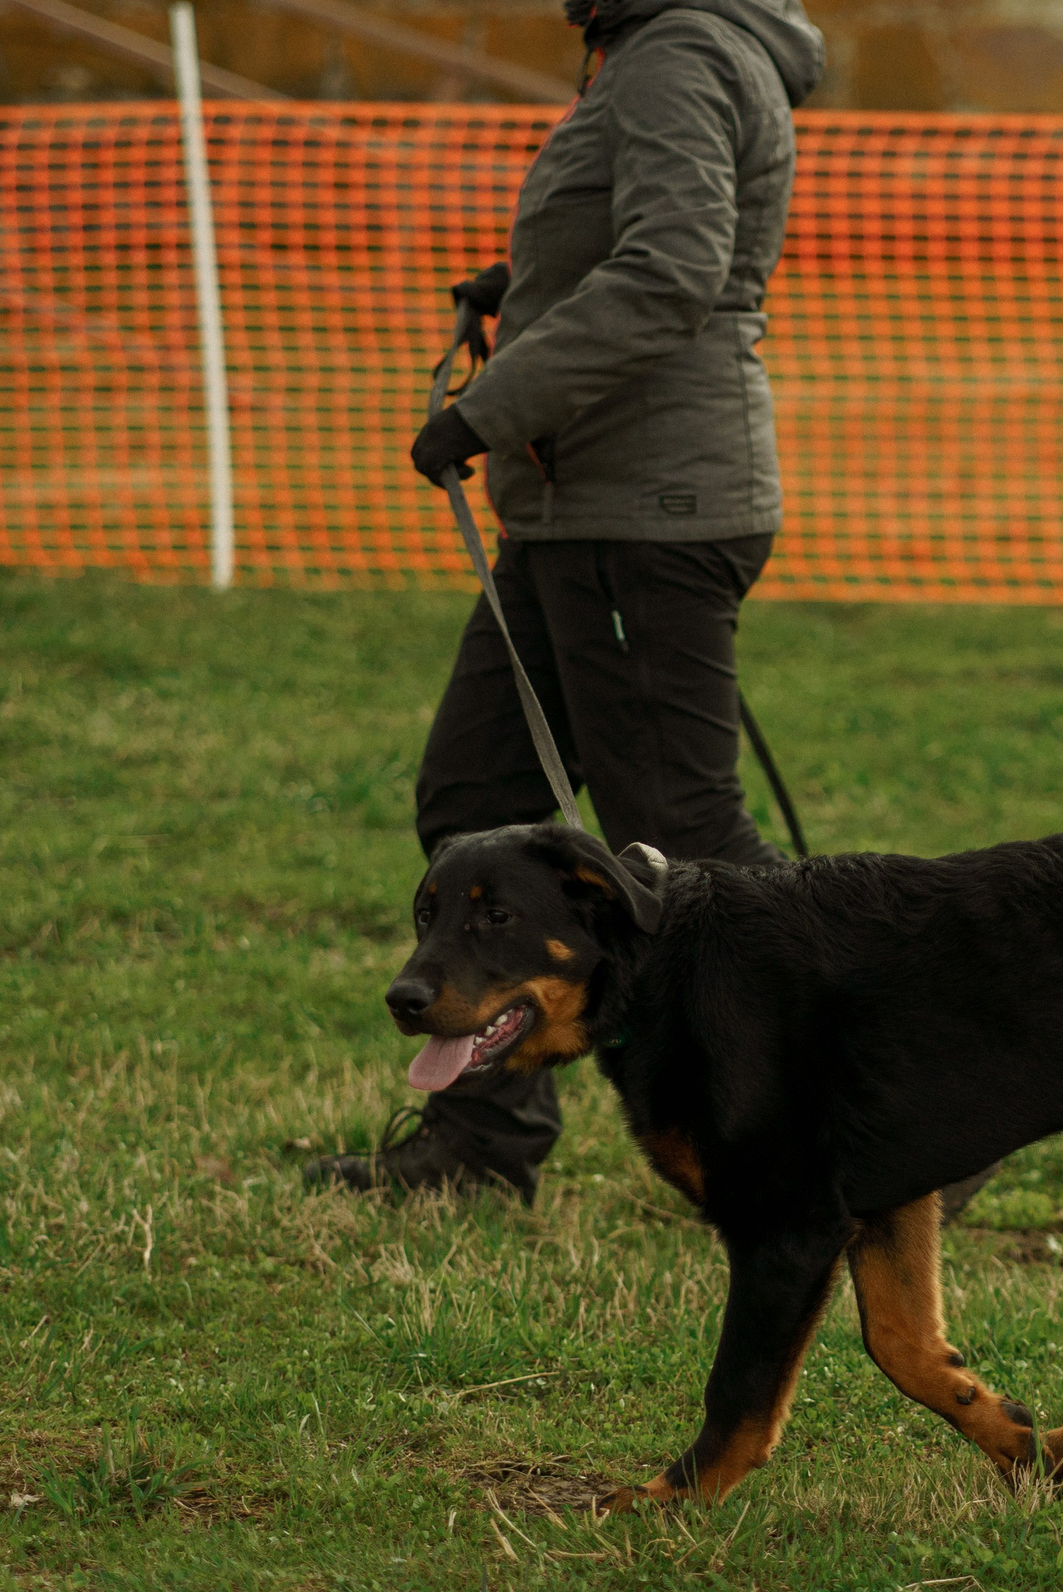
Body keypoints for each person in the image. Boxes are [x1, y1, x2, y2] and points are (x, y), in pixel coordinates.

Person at [306, 0, 825, 1204]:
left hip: (645, 510)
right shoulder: (659, 53)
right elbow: (647, 246)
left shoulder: (681, 53)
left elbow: (675, 270)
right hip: (584, 508)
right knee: (477, 798)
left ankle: (865, 1128)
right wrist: (526, 286)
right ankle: (480, 1142)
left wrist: (489, 408)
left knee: (688, 852)